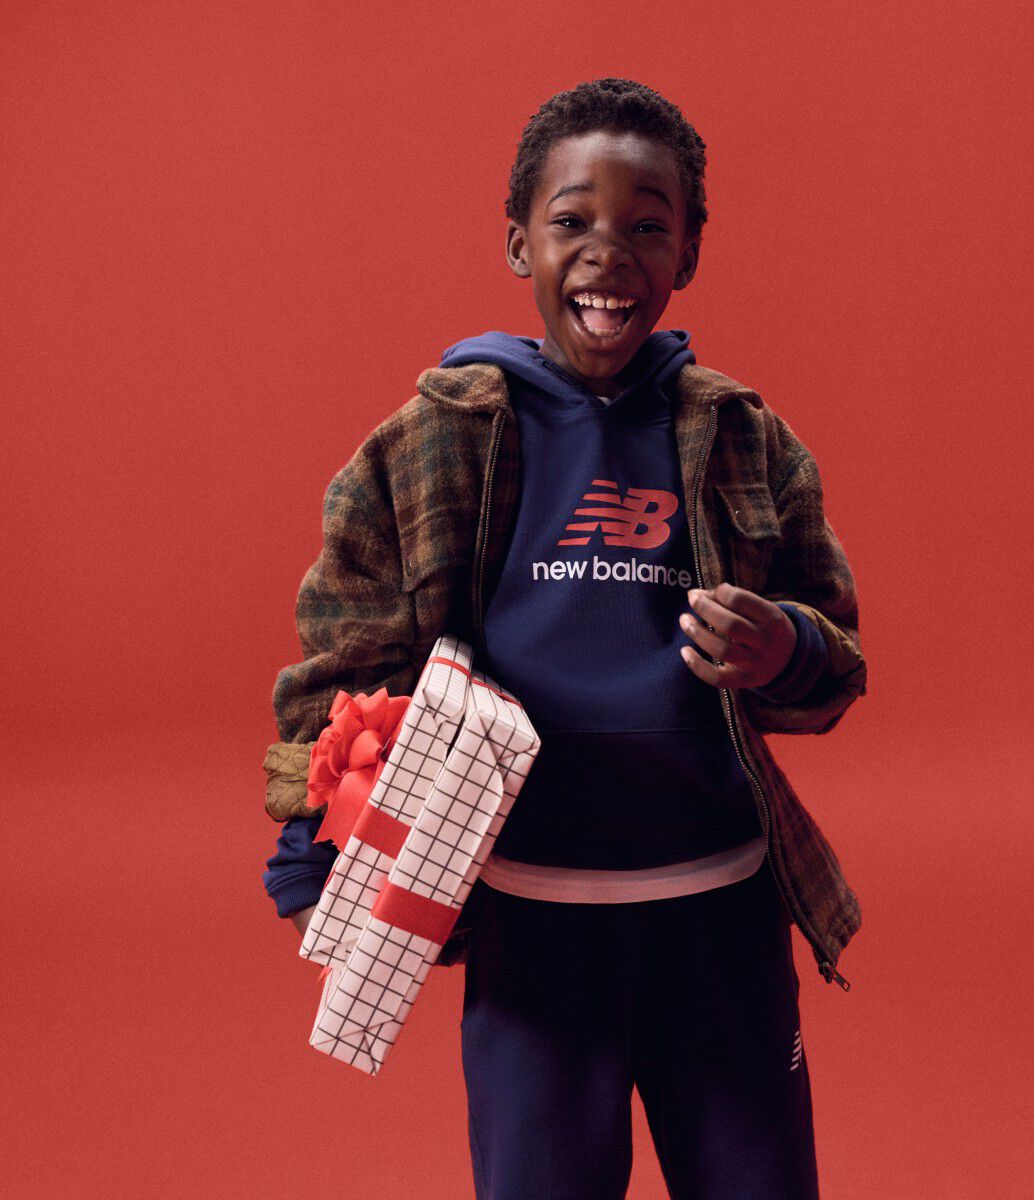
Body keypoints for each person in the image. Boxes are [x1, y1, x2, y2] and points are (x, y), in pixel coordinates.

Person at [262, 77, 867, 1200]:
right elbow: (338, 666)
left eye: (648, 226)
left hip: (719, 916)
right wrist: (324, 826)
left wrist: (783, 647)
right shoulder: (429, 442)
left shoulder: (745, 438)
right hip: (533, 932)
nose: (609, 254)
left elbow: (838, 660)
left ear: (687, 253)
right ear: (517, 243)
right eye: (573, 222)